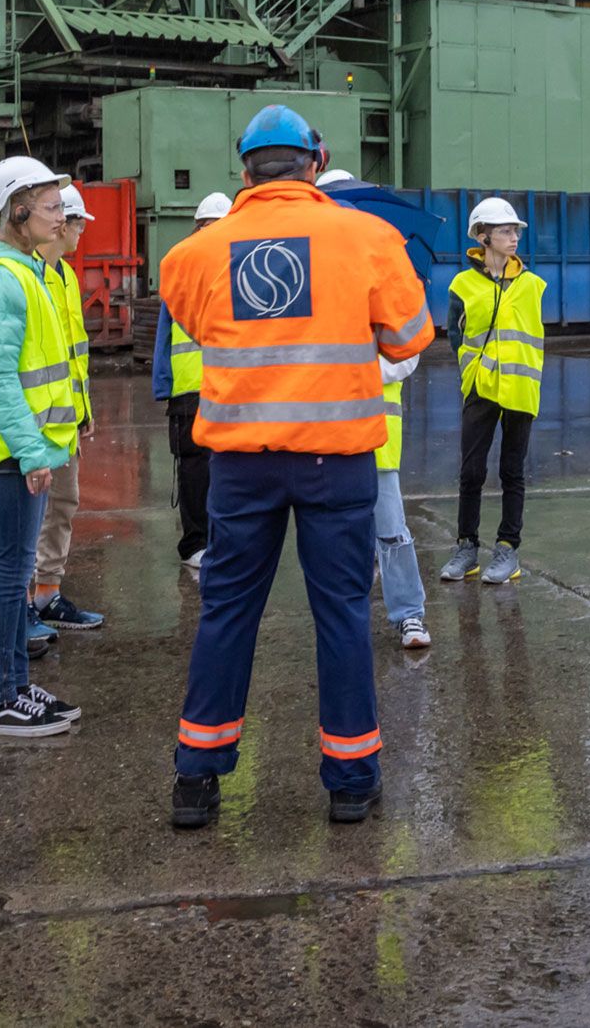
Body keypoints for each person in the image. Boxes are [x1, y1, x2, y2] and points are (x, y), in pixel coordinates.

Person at [161, 105, 434, 829]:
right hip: (335, 462)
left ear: (244, 169)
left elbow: (197, 321)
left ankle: (197, 776)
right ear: (317, 162)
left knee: (227, 611)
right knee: (341, 613)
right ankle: (351, 780)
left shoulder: (196, 253)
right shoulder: (368, 237)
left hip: (240, 464)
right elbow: (410, 335)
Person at [0, 155, 87, 741]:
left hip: (24, 449)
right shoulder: (5, 278)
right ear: (19, 213)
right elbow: (1, 378)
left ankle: (17, 686)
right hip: (13, 453)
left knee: (14, 570)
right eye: (52, 207)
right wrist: (31, 452)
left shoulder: (23, 270)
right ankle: (2, 700)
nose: (61, 217)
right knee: (10, 575)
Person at [317, 169, 428, 649]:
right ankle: (347, 618)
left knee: (391, 529)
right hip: (327, 434)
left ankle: (409, 614)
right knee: (339, 535)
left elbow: (408, 355)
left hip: (377, 434)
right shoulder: (316, 284)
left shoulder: (387, 276)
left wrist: (357, 365)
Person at [439, 197, 545, 586]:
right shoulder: (462, 285)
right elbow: (455, 335)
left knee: (512, 471)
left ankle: (507, 548)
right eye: (505, 231)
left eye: (515, 231)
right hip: (481, 388)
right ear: (483, 237)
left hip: (520, 388)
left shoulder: (532, 285)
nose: (514, 237)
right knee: (471, 471)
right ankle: (466, 548)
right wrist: (472, 372)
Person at [32, 183, 106, 634]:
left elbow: (72, 354)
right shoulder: (32, 274)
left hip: (64, 417)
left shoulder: (64, 276)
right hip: (37, 420)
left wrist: (82, 411)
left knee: (62, 504)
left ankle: (46, 594)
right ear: (62, 224)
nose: (81, 232)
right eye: (79, 223)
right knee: (33, 514)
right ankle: (25, 600)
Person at [151, 191, 231, 571]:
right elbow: (165, 333)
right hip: (191, 390)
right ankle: (195, 543)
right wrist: (164, 384)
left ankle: (215, 540)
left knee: (223, 469)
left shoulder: (233, 266)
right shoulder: (183, 268)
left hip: (224, 386)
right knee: (196, 471)